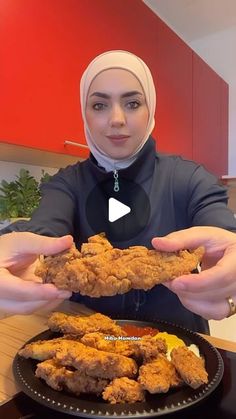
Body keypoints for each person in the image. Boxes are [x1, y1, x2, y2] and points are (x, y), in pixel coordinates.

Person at [1, 50, 236, 333]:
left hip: (180, 343)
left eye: (133, 103)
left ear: (151, 110)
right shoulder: (67, 183)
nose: (116, 119)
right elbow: (43, 231)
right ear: (84, 113)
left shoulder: (190, 178)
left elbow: (223, 232)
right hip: (89, 342)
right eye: (99, 105)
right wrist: (19, 250)